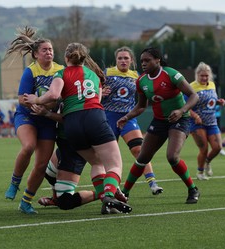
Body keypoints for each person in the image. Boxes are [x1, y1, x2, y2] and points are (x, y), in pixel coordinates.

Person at [24, 42, 132, 214]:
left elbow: (53, 95)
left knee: (96, 162)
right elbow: (95, 100)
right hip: (93, 118)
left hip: (72, 124)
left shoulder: (61, 73)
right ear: (84, 58)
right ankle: (109, 194)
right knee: (113, 164)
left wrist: (35, 99)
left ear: (66, 58)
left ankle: (106, 199)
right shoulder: (94, 76)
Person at [117, 47, 200, 204]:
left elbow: (194, 96)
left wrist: (182, 111)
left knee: (172, 157)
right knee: (142, 157)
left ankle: (193, 189)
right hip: (159, 121)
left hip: (180, 120)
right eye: (142, 61)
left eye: (147, 60)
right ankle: (124, 193)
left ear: (158, 60)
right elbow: (141, 106)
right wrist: (127, 117)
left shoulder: (171, 74)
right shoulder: (141, 81)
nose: (143, 63)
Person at [3, 27, 63, 214]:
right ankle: (15, 182)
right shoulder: (31, 71)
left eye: (51, 49)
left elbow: (63, 96)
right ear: (36, 54)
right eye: (45, 50)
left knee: (42, 165)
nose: (49, 52)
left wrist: (49, 108)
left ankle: (26, 201)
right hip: (27, 115)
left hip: (47, 120)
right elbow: (22, 98)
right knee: (28, 146)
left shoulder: (61, 70)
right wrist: (36, 105)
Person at [102, 46, 163, 196]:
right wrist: (101, 92)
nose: (123, 61)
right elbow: (93, 93)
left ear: (131, 61)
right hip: (109, 117)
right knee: (109, 156)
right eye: (120, 58)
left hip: (128, 118)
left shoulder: (137, 76)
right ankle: (111, 188)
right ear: (115, 60)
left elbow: (144, 97)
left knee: (139, 150)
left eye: (126, 58)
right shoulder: (106, 74)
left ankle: (152, 182)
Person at [187, 62, 225, 180]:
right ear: (197, 75)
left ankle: (207, 161)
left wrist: (218, 102)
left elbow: (210, 101)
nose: (204, 78)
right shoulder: (191, 87)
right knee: (204, 148)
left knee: (218, 147)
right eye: (202, 75)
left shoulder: (212, 85)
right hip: (197, 123)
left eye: (206, 76)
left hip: (211, 122)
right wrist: (195, 116)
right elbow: (185, 106)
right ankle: (200, 172)